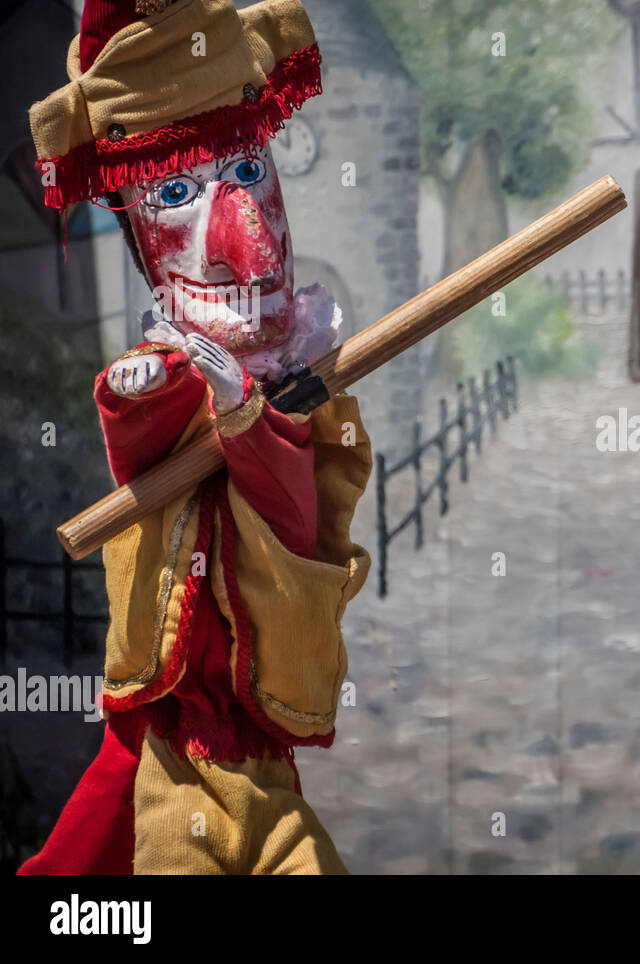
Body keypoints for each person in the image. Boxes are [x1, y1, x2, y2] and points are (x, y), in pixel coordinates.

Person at [20, 0, 369, 874]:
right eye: (178, 193)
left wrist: (249, 412)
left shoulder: (311, 384)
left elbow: (300, 517)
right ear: (138, 229)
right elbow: (141, 445)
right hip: (179, 759)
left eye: (249, 169)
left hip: (265, 753)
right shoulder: (160, 373)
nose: (244, 246)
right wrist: (154, 396)